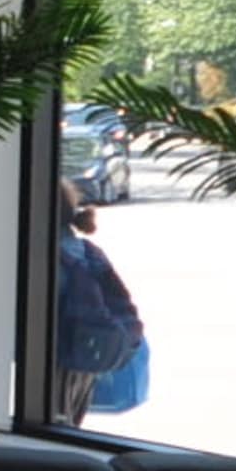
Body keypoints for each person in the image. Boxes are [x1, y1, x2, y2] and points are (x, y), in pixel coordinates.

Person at [51, 181, 145, 425]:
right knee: (69, 422)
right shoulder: (85, 250)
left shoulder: (46, 257)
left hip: (59, 358)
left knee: (52, 423)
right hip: (85, 354)